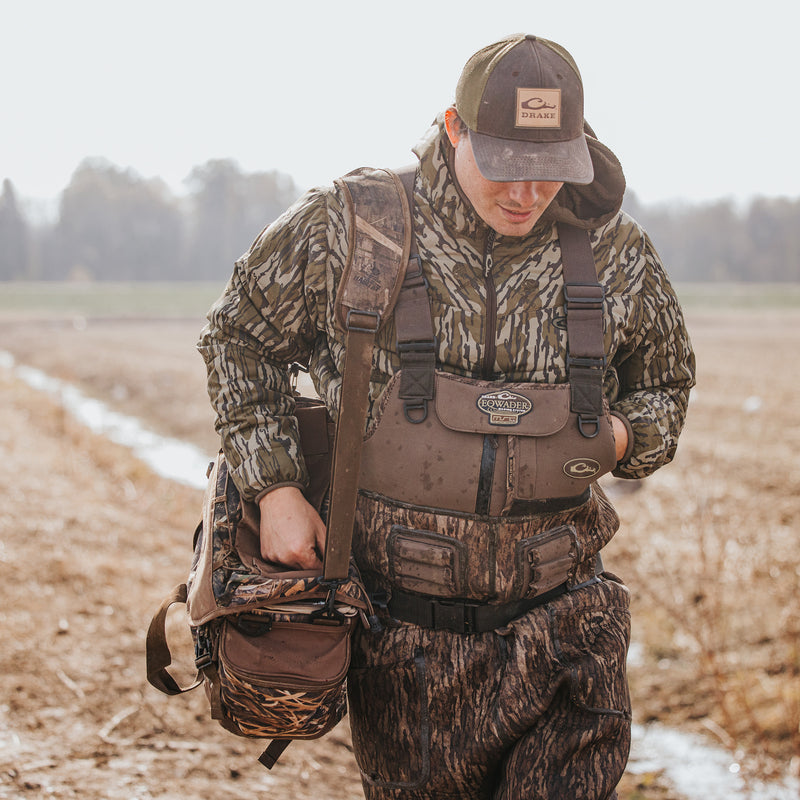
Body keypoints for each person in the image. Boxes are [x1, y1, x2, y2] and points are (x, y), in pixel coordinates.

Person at [198, 33, 695, 800]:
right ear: (454, 128)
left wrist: (624, 438)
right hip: (408, 649)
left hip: (569, 623)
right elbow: (239, 339)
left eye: (550, 172)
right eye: (506, 167)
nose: (527, 195)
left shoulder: (615, 252)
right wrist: (276, 491)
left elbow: (666, 383)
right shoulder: (354, 227)